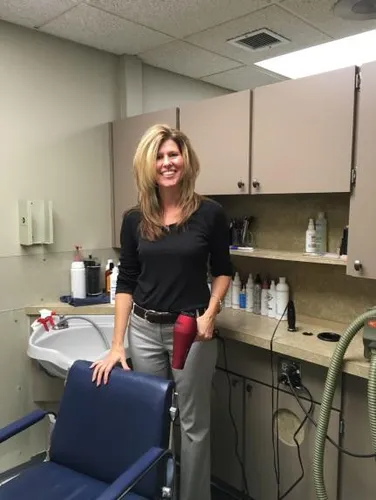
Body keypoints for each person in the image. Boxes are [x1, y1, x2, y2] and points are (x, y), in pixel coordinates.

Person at [91, 124, 232, 500]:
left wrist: (210, 314)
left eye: (173, 154)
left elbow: (223, 269)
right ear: (147, 165)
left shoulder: (210, 213)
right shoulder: (135, 219)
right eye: (159, 156)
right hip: (144, 328)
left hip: (191, 329)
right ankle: (152, 494)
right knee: (152, 418)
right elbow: (127, 281)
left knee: (192, 426)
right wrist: (117, 344)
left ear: (185, 159)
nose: (167, 162)